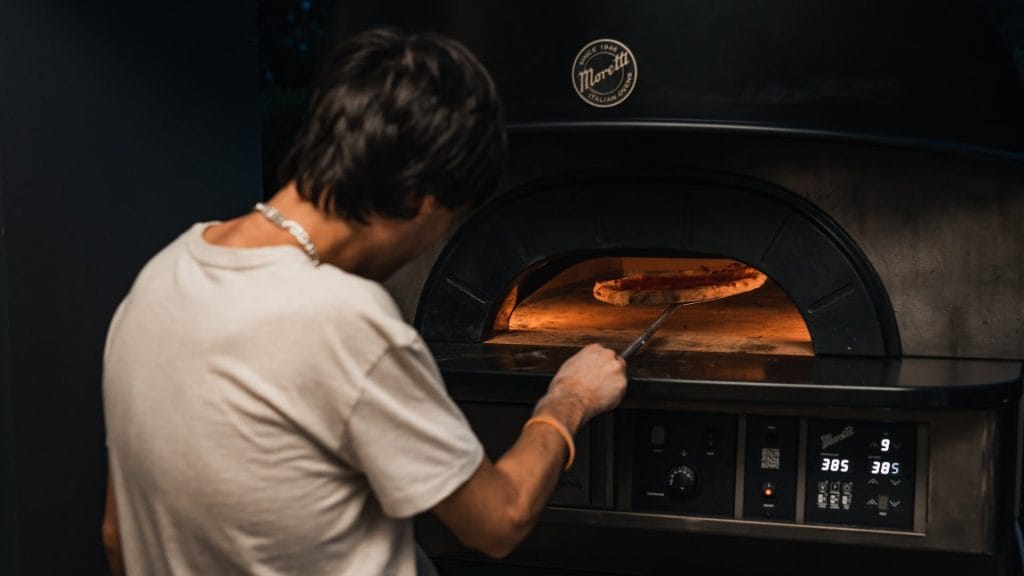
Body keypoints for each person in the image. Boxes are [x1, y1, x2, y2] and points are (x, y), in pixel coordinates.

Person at [101, 29, 627, 575]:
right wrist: (568, 398)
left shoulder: (159, 278)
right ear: (422, 201)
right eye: (446, 224)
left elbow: (117, 537)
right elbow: (499, 521)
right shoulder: (344, 319)